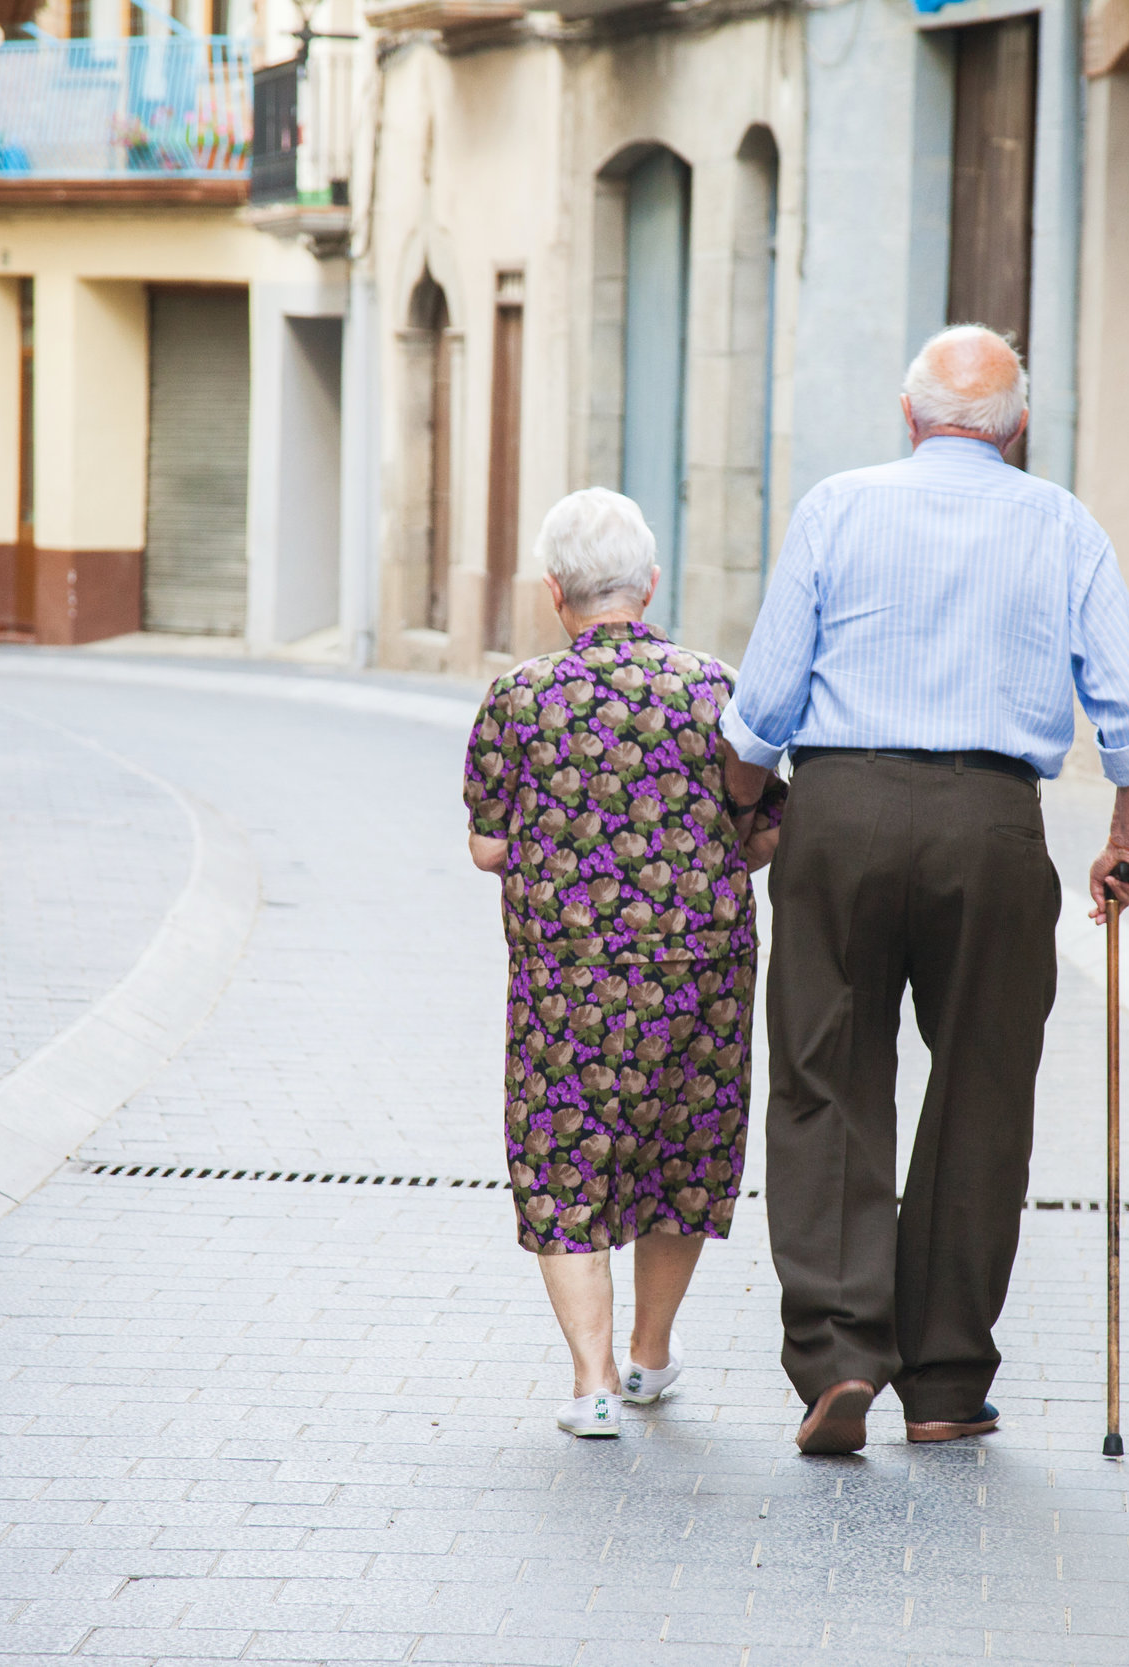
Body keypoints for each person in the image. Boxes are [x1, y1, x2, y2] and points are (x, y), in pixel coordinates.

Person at [720, 324, 1129, 1456]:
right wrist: (1126, 840)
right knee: (982, 1090)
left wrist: (744, 808)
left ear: (908, 412)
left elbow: (764, 701)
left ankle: (836, 1355)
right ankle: (941, 1380)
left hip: (840, 809)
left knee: (826, 1076)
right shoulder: (1060, 523)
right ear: (1016, 425)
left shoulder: (837, 506)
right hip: (989, 822)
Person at [464, 487, 786, 1438]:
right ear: (650, 584)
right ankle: (650, 1356)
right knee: (682, 1150)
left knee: (566, 1160)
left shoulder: (519, 697)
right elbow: (765, 829)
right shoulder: (714, 688)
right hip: (701, 973)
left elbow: (487, 848)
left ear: (553, 591)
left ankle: (593, 1381)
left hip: (568, 979)